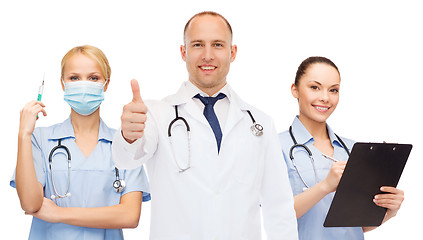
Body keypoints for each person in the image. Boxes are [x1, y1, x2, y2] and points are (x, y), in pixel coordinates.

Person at [112, 11, 298, 239]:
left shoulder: (259, 123)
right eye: (198, 44)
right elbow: (126, 158)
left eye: (218, 45)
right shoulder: (156, 114)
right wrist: (129, 135)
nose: (207, 55)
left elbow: (278, 207)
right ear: (184, 52)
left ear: (233, 52)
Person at [11, 45, 150, 240]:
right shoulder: (39, 139)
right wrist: (23, 134)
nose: (83, 85)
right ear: (63, 84)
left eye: (93, 78)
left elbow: (130, 216)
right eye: (74, 78)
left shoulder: (125, 143)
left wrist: (58, 214)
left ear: (106, 83)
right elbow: (30, 204)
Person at [278, 56, 404, 239]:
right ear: (295, 90)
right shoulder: (275, 147)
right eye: (314, 87)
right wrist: (325, 186)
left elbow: (355, 226)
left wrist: (388, 211)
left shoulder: (353, 150)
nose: (325, 98)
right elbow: (275, 215)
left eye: (333, 90)